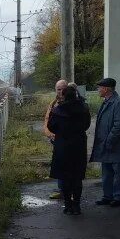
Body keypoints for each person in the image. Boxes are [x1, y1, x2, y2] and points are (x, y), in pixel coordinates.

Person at [47, 83, 91, 215]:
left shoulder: (57, 110)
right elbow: (86, 125)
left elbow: (51, 126)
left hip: (63, 146)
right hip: (78, 145)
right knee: (77, 178)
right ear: (76, 94)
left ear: (64, 95)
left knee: (65, 177)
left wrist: (62, 132)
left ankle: (67, 206)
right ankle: (77, 206)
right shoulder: (84, 108)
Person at [90, 77, 120, 207]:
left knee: (118, 173)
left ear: (106, 89)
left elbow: (119, 126)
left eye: (99, 87)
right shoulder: (106, 102)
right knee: (106, 172)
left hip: (115, 145)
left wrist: (109, 141)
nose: (98, 90)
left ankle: (119, 198)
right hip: (105, 144)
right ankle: (108, 196)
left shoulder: (119, 103)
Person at [44, 79, 68, 199]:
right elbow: (48, 119)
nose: (60, 92)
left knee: (69, 165)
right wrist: (49, 134)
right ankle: (61, 189)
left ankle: (69, 191)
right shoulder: (54, 103)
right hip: (57, 139)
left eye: (62, 89)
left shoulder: (72, 103)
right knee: (59, 164)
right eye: (58, 89)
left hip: (68, 140)